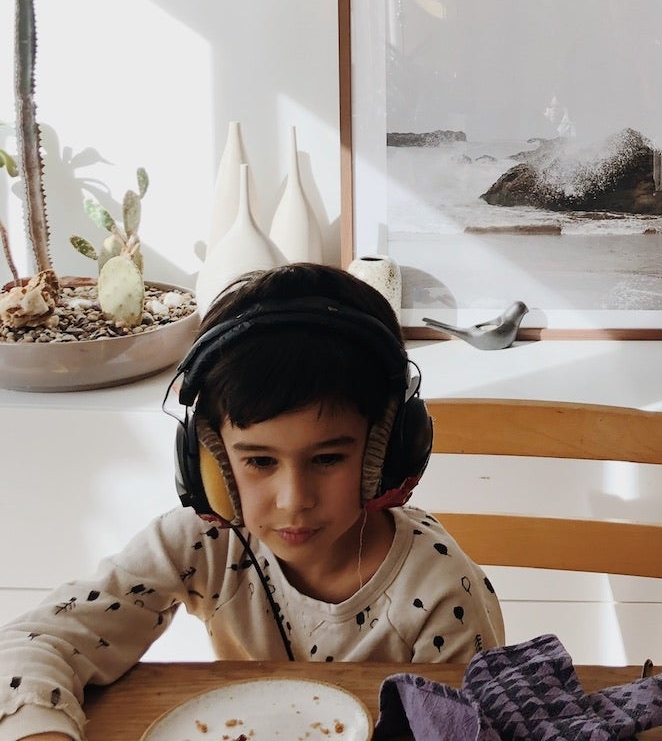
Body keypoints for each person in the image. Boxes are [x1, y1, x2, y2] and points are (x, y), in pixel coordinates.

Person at [0, 264, 504, 741]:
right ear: (210, 463)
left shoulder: (441, 591)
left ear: (386, 455)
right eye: (260, 462)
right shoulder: (201, 542)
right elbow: (35, 644)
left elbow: (473, 725)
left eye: (328, 459)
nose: (294, 501)